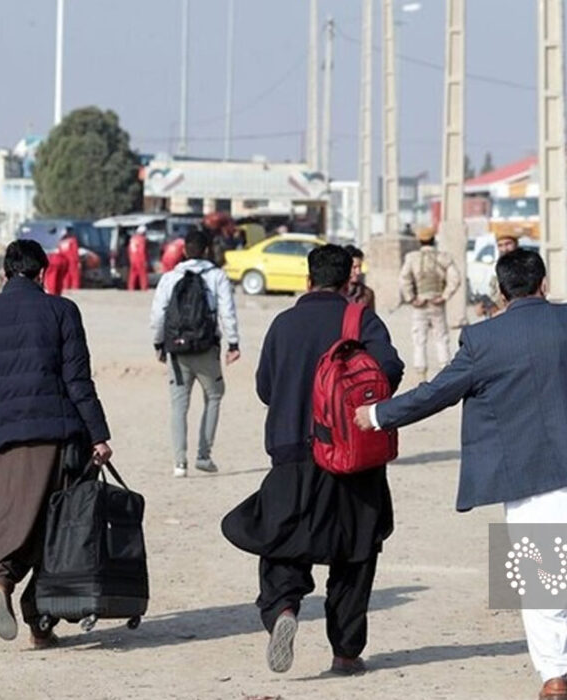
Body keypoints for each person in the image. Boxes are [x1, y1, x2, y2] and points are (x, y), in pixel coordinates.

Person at [353, 248, 567, 700]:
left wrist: (379, 415)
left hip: (532, 476)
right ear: (544, 284)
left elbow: (438, 392)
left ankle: (554, 677)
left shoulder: (482, 339)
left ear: (499, 291)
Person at [222, 244, 403, 677]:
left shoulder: (283, 324)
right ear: (348, 282)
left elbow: (266, 387)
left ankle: (283, 608)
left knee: (282, 542)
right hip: (352, 455)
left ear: (307, 280)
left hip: (291, 452)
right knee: (355, 552)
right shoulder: (360, 320)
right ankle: (345, 651)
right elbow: (389, 371)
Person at [0, 239, 112, 649]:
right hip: (56, 439)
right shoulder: (63, 311)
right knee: (55, 531)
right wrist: (99, 434)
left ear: (4, 274)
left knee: (4, 518)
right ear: (42, 274)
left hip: (0, 441)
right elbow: (78, 381)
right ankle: (40, 624)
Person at [151, 229, 241, 477]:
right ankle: (204, 454)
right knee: (214, 396)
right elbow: (227, 312)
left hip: (177, 351)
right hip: (206, 347)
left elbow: (158, 314)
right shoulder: (217, 276)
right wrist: (233, 344)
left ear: (184, 250)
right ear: (207, 250)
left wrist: (158, 344)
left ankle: (179, 463)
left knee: (179, 405)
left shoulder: (170, 277)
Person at [399, 226, 461, 382]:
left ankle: (422, 377)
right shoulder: (443, 257)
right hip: (437, 303)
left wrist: (411, 298)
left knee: (419, 339)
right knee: (441, 337)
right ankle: (445, 375)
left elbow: (404, 279)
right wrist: (445, 296)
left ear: (419, 241)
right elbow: (455, 278)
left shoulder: (412, 257)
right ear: (434, 240)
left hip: (420, 304)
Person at [343, 245, 375, 311]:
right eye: (354, 267)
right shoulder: (334, 293)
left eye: (359, 267)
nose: (358, 272)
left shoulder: (367, 294)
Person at [127, 226, 149, 291]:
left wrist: (130, 258)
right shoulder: (142, 239)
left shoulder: (132, 239)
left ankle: (131, 287)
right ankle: (144, 287)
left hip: (133, 258)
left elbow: (129, 249)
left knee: (133, 274)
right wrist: (144, 260)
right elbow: (141, 251)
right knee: (143, 274)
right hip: (139, 258)